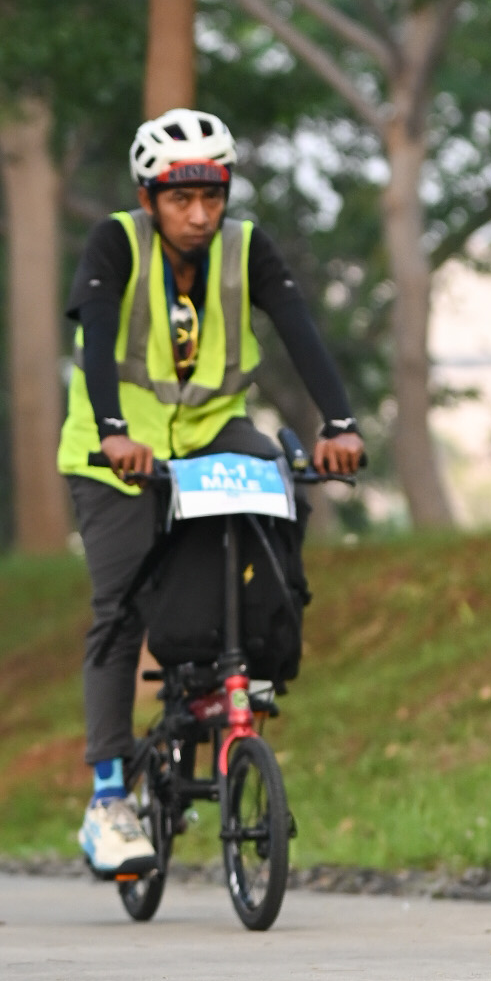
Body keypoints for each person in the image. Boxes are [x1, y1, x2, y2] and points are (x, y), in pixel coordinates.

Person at [58, 109, 367, 877]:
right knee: (119, 608)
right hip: (116, 453)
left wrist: (340, 423)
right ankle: (108, 800)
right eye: (180, 199)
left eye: (213, 197)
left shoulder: (246, 248)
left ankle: (246, 666)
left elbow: (297, 327)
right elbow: (97, 340)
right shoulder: (115, 243)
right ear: (148, 197)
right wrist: (113, 432)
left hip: (211, 436)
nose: (199, 215)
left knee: (280, 493)